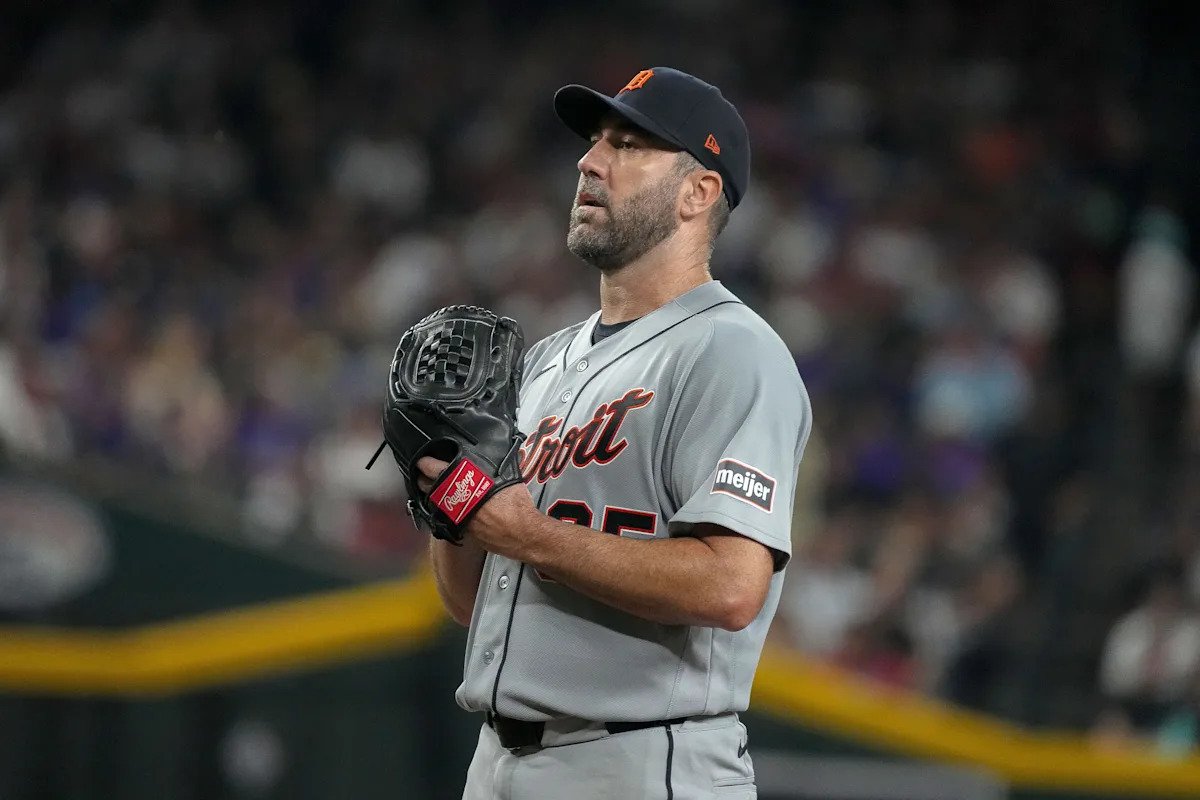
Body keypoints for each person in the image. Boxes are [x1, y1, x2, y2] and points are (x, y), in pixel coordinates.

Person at [417, 67, 811, 800]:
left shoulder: (731, 351)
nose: (590, 162)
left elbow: (732, 586)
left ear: (699, 192)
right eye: (597, 141)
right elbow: (474, 606)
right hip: (497, 761)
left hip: (642, 761)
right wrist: (453, 501)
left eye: (628, 145)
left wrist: (527, 534)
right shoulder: (542, 361)